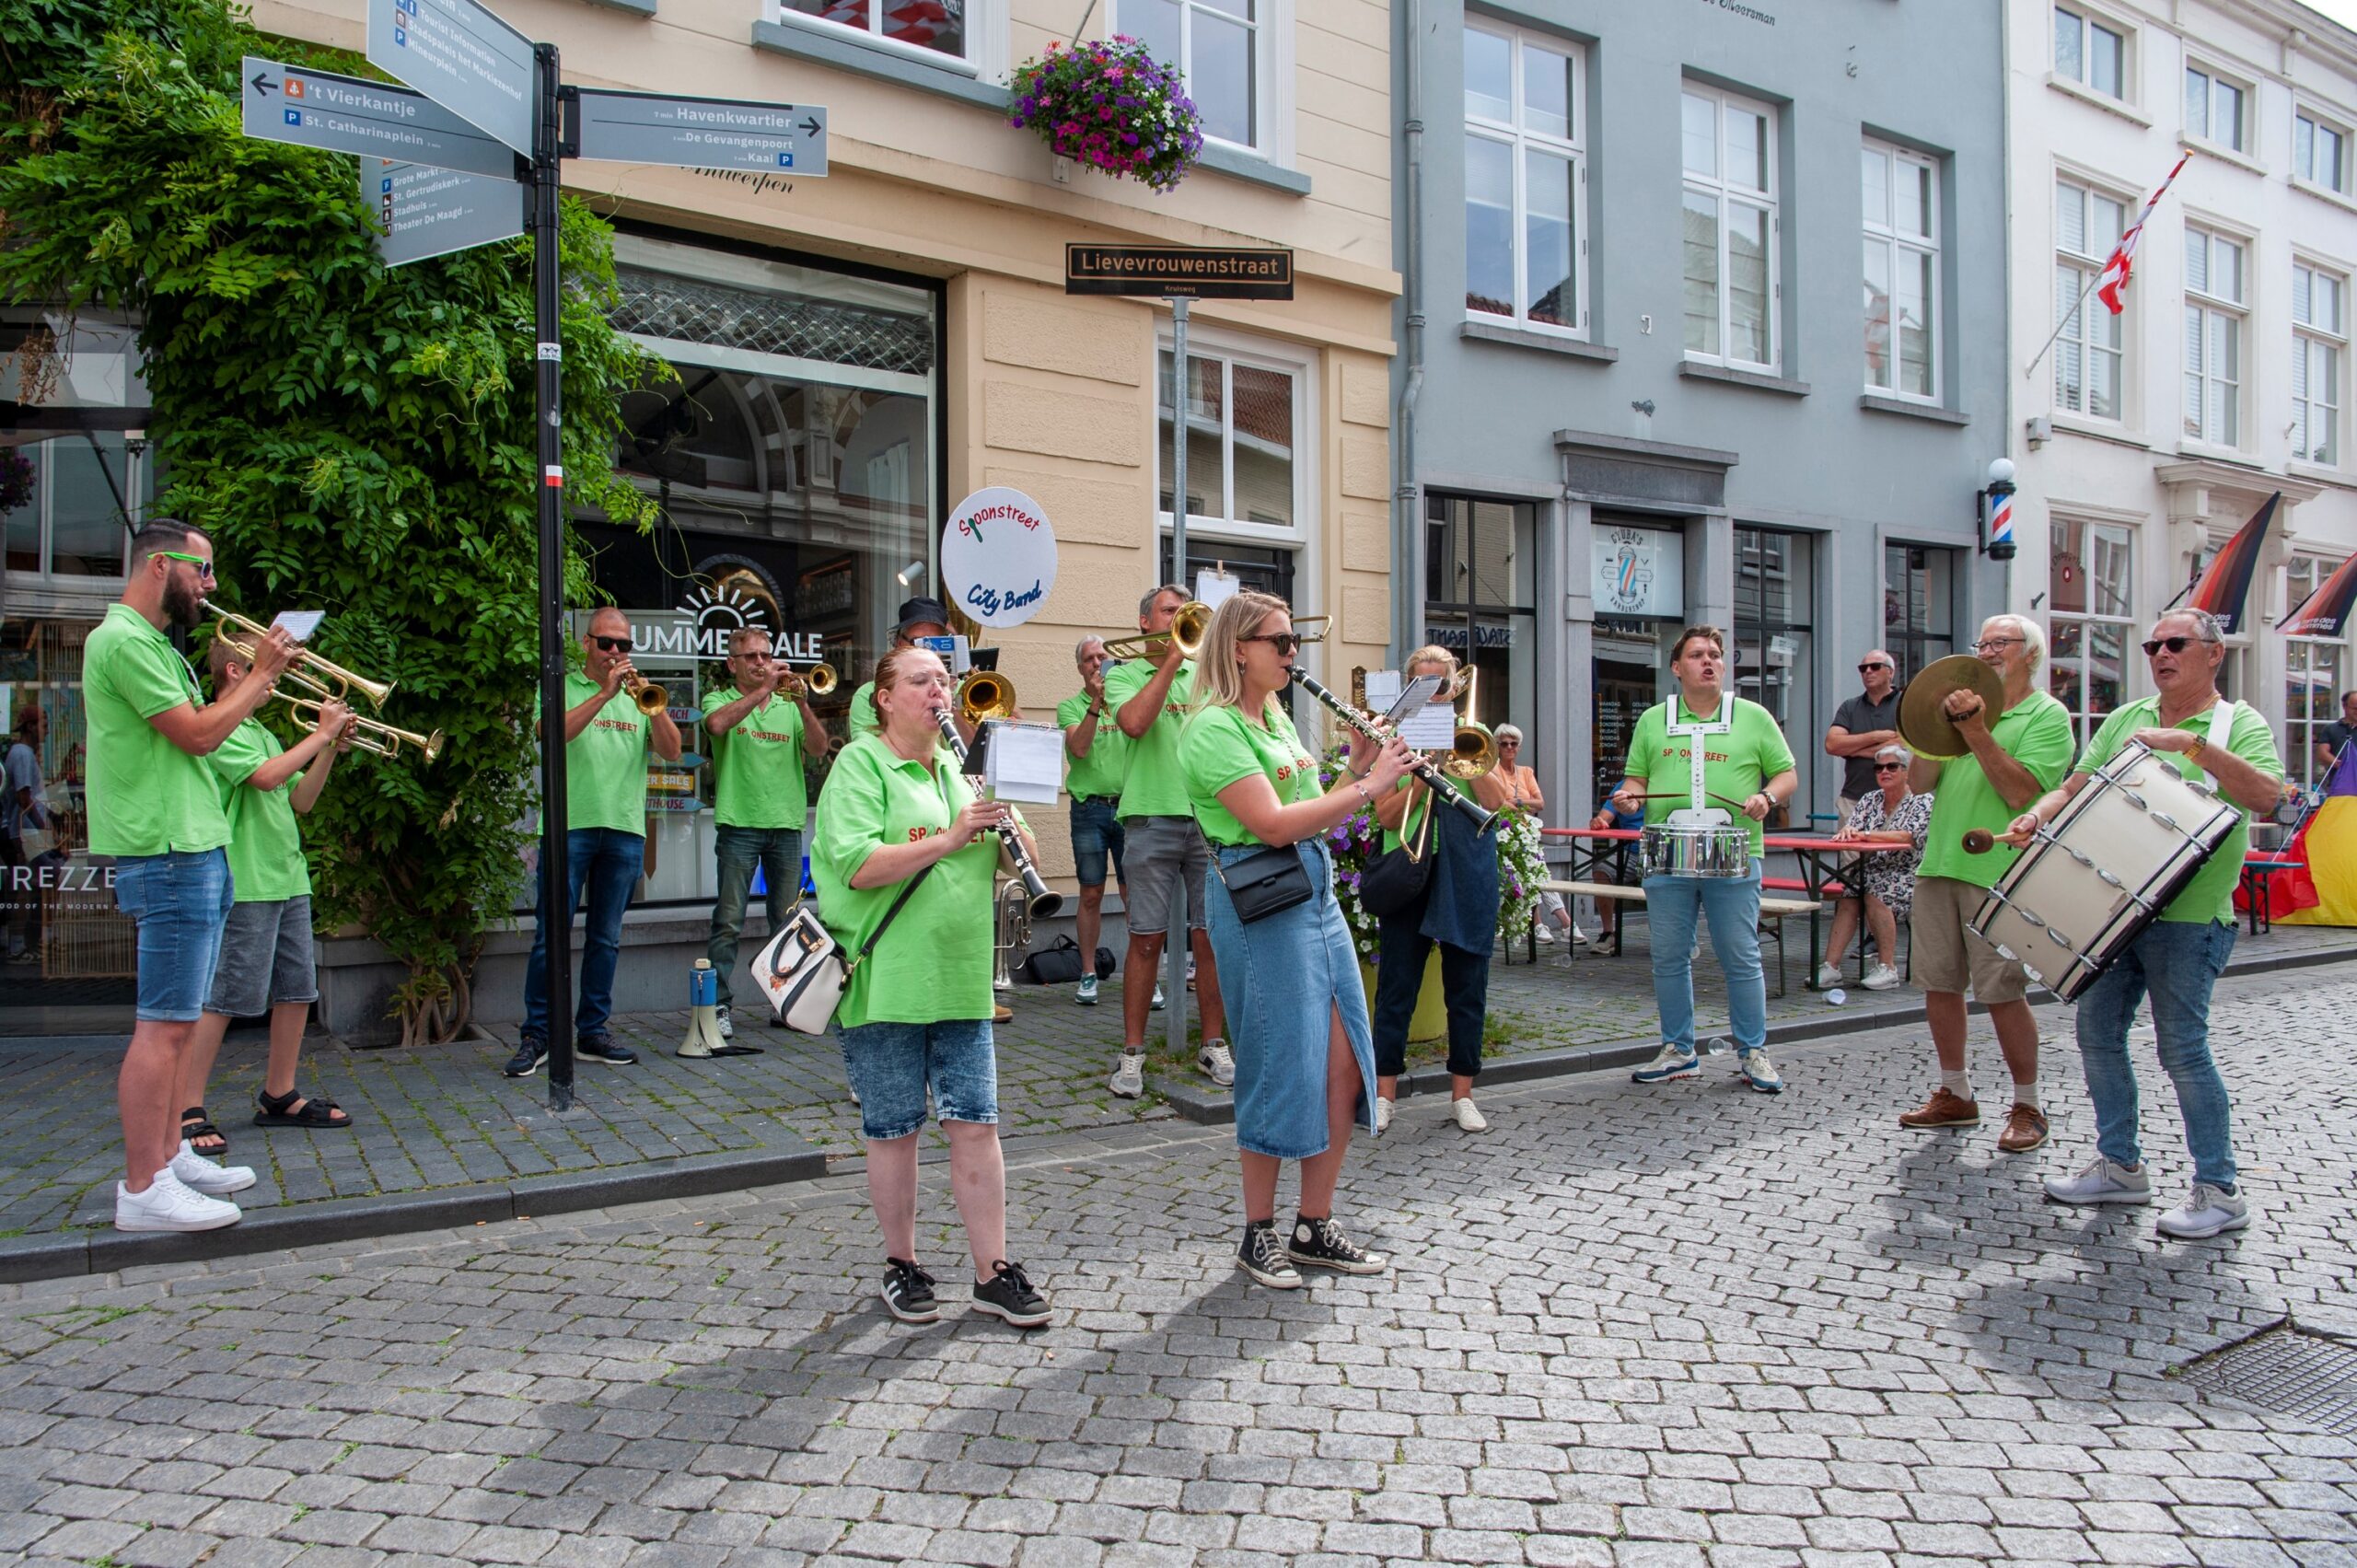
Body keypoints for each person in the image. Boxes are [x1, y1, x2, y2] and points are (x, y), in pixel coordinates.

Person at [2009, 610, 2282, 1239]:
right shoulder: (2126, 717)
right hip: (2114, 908)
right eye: (2152, 644)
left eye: (2175, 643)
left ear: (2213, 653)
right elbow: (2076, 786)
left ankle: (2219, 1188)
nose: (2160, 652)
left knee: (2182, 1048)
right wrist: (2038, 814)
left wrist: (2191, 746)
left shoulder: (2235, 722)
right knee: (2097, 1033)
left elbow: (2268, 795)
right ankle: (2120, 1166)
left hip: (2189, 917)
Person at [1178, 591, 1414, 1288]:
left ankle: (1315, 1223)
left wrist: (1355, 766)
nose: (1291, 654)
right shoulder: (1211, 728)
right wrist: (1371, 785)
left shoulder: (1276, 716)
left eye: (1293, 644)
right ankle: (1258, 1232)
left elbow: (1313, 812)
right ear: (1238, 648)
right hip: (1261, 900)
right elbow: (1275, 824)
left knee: (1342, 1060)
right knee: (1280, 1062)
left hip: (1313, 894)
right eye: (1279, 642)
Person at [812, 645, 1052, 1328]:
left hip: (961, 978)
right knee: (894, 1129)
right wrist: (950, 837)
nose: (938, 692)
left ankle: (992, 1270)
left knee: (976, 1124)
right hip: (884, 976)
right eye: (921, 681)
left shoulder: (963, 765)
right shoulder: (860, 763)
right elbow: (858, 864)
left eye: (943, 680)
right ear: (884, 697)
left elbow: (1028, 858)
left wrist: (1006, 815)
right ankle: (903, 1264)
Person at [87, 519, 297, 1232]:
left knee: (177, 1022)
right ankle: (143, 1186)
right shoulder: (121, 641)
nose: (210, 587)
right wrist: (262, 676)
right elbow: (202, 733)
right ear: (159, 566)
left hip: (198, 846)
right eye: (201, 571)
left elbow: (202, 736)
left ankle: (170, 1154)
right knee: (164, 1028)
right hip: (169, 849)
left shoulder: (154, 645)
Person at [178, 638, 359, 1159]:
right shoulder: (221, 724)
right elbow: (266, 777)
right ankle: (188, 1106)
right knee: (226, 996)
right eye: (270, 669)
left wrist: (327, 748)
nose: (278, 680)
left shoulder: (259, 730)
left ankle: (279, 1094)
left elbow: (300, 798)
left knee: (297, 990)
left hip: (287, 876)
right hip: (248, 877)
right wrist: (320, 733)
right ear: (236, 670)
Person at [1899, 613, 2074, 1153]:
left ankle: (2028, 1104)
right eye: (1983, 643)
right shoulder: (1961, 713)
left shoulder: (2047, 715)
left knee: (2002, 991)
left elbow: (2023, 794)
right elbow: (1918, 783)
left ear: (2031, 654)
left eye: (2001, 643)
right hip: (1940, 863)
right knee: (1939, 986)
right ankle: (1956, 1094)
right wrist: (1931, 729)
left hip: (1996, 871)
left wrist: (1975, 731)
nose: (1989, 651)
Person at [1610, 625, 1798, 1095]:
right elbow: (1635, 781)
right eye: (1697, 655)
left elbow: (1786, 774)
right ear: (1677, 668)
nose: (1708, 661)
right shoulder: (1653, 720)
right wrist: (1627, 799)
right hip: (1667, 855)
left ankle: (1753, 1051)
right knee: (1669, 957)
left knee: (1741, 955)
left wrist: (1767, 799)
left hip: (1735, 852)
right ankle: (1679, 1050)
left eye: (1715, 654)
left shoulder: (1754, 716)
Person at [505, 608, 682, 1077]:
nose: (616, 653)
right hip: (570, 826)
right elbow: (550, 734)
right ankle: (537, 1034)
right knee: (550, 937)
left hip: (624, 829)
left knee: (606, 938)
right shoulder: (564, 686)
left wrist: (654, 707)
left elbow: (672, 750)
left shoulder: (640, 695)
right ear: (586, 644)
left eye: (624, 646)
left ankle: (592, 1031)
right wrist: (605, 694)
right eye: (607, 644)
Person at [1367, 647, 1514, 1133]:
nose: (1433, 693)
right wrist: (1420, 771)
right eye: (1422, 685)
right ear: (1410, 691)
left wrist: (1457, 754)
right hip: (1409, 871)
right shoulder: (1390, 739)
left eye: (1440, 685)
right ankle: (1384, 1093)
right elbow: (1386, 816)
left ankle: (1463, 1095)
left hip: (1466, 874)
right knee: (1396, 990)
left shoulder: (1476, 737)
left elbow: (1499, 805)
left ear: (1454, 689)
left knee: (1467, 990)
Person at [1105, 584, 1229, 1096]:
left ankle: (1213, 1044)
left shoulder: (1207, 675)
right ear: (1144, 622)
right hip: (1151, 815)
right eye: (1170, 612)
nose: (1181, 619)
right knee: (1146, 938)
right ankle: (1132, 1053)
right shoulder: (1125, 672)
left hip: (1208, 817)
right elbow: (1134, 723)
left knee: (1210, 938)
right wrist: (1171, 660)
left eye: (1187, 613)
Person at [701, 625, 829, 1040]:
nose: (760, 663)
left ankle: (785, 1002)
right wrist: (764, 690)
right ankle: (718, 1005)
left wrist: (803, 705)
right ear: (731, 663)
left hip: (786, 825)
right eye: (751, 657)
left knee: (787, 922)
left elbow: (818, 749)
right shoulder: (719, 698)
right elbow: (717, 726)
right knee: (729, 920)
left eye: (765, 655)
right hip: (739, 824)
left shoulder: (789, 705)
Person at [1815, 743, 1931, 993]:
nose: (1884, 772)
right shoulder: (1869, 799)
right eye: (1878, 767)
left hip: (1907, 873)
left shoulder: (1922, 800)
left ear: (1907, 771)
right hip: (1868, 868)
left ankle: (1887, 968)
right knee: (1848, 895)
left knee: (1873, 893)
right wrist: (1848, 830)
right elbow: (1852, 828)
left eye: (1892, 767)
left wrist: (1867, 834)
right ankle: (1831, 967)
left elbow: (1909, 837)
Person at [1059, 635, 1132, 1006]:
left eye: (1103, 657)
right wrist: (1096, 703)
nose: (1097, 663)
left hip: (1130, 806)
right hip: (1090, 809)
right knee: (1090, 893)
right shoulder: (1070, 707)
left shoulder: (1127, 701)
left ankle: (1143, 975)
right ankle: (1088, 973)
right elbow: (1080, 748)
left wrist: (1114, 698)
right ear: (1080, 668)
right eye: (1090, 659)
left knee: (1134, 895)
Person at [1825, 649, 1902, 966]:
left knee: (1884, 874)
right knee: (1853, 874)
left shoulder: (1905, 703)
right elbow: (1833, 745)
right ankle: (1854, 943)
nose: (1867, 671)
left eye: (1875, 666)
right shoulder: (1850, 706)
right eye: (1862, 667)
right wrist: (1880, 739)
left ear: (1890, 672)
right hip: (1854, 799)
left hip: (1896, 803)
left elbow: (1909, 744)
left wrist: (1857, 746)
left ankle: (1879, 943)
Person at [1496, 724, 1581, 946]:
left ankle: (1543, 924)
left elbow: (1540, 803)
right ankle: (1561, 923)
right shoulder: (1492, 771)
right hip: (1502, 833)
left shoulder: (1525, 772)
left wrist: (1517, 802)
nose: (1509, 748)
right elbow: (1495, 804)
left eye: (1513, 744)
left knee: (1536, 872)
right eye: (1504, 744)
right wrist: (1519, 806)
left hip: (1526, 834)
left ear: (1519, 747)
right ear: (1497, 746)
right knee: (1534, 871)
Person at [848, 597, 952, 740]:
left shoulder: (959, 689)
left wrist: (953, 701)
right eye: (917, 642)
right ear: (899, 643)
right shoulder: (868, 695)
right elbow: (874, 755)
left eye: (935, 642)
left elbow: (983, 754)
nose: (926, 651)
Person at [5, 703, 52, 962]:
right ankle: (20, 945)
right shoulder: (22, 754)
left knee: (37, 884)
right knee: (27, 887)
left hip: (29, 830)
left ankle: (30, 942)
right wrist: (43, 827)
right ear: (31, 727)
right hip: (27, 832)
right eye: (44, 725)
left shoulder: (23, 753)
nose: (47, 731)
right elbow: (24, 797)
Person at [1584, 792, 1646, 957]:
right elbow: (1604, 818)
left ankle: (1672, 938)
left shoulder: (1665, 782)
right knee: (1602, 870)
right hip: (1629, 852)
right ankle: (1608, 933)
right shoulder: (1624, 788)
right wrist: (1598, 822)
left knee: (1673, 882)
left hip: (1663, 851)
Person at [2315, 690, 2357, 778]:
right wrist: (2343, 766)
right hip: (2339, 782)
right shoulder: (2330, 729)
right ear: (2344, 706)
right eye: (2355, 708)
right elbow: (2322, 753)